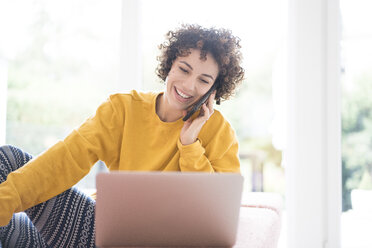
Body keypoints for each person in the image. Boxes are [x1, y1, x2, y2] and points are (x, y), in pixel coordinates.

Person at [0, 24, 244, 247]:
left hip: (150, 242)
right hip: (99, 231)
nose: (189, 86)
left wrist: (189, 146)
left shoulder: (219, 132)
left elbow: (217, 217)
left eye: (204, 80)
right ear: (169, 64)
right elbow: (65, 159)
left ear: (214, 91)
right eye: (183, 69)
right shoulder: (123, 109)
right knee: (7, 158)